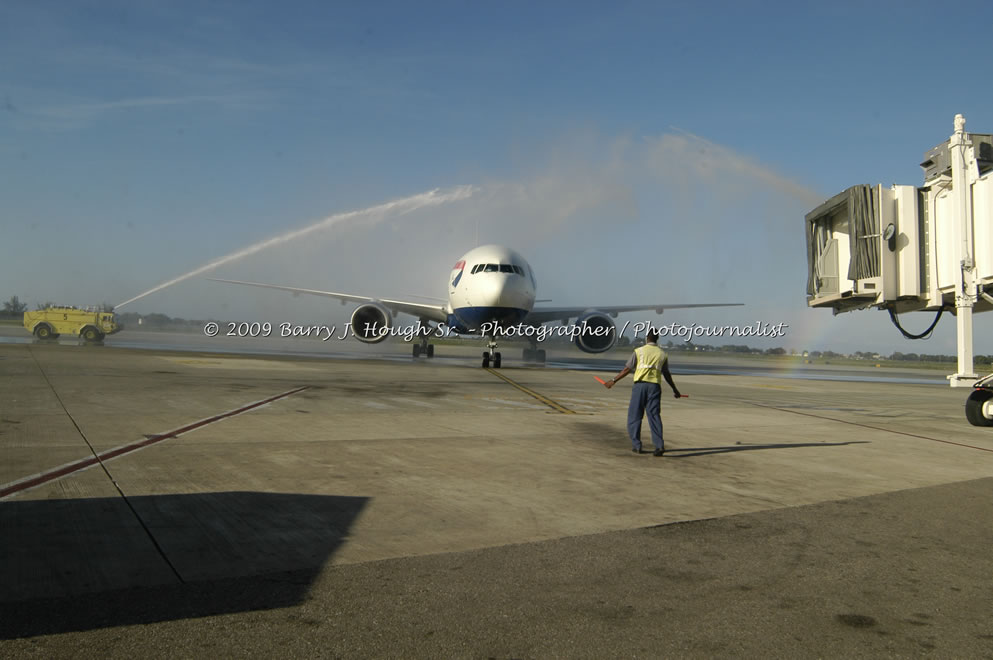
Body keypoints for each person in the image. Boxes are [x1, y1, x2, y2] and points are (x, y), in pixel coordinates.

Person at [603, 328, 681, 456]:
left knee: (635, 416)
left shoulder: (639, 351)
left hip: (640, 386)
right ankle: (659, 445)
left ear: (647, 338)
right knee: (654, 416)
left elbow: (627, 369)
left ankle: (637, 445)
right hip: (655, 386)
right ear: (657, 339)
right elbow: (666, 374)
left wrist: (613, 380)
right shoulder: (662, 354)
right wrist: (675, 389)